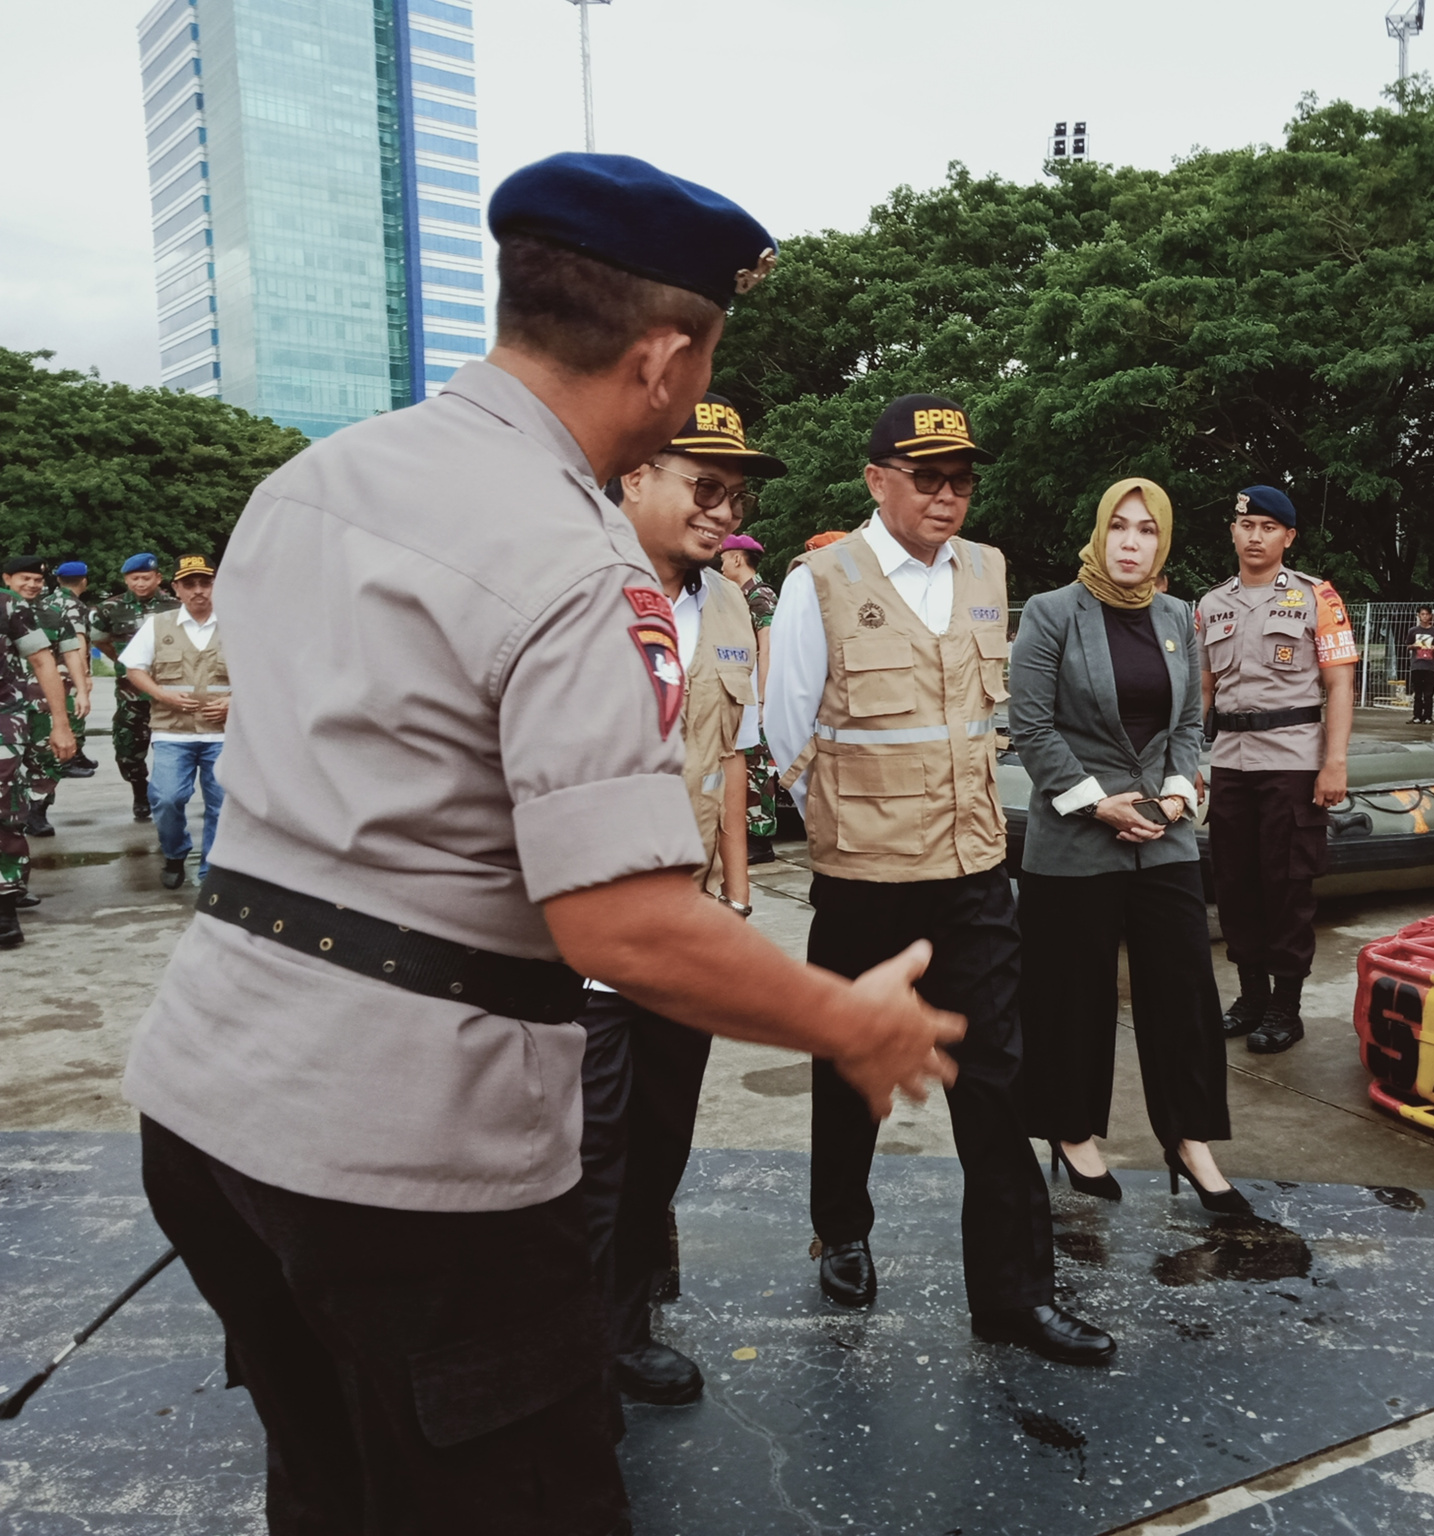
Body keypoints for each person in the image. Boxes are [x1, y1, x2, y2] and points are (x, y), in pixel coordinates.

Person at [120, 153, 962, 1536]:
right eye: (706, 364)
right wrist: (847, 1022)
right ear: (664, 357)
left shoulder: (317, 480)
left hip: (208, 1105)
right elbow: (619, 925)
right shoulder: (579, 567)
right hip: (404, 1158)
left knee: (332, 1482)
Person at [765, 392, 1114, 1365]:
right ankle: (841, 1227)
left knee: (998, 1081)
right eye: (927, 477)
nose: (947, 495)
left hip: (970, 876)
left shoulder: (988, 572)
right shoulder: (821, 581)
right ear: (877, 482)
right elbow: (786, 732)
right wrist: (845, 828)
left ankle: (1012, 1296)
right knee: (848, 1072)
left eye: (961, 478)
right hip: (863, 878)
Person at [576, 391, 783, 1407]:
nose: (721, 510)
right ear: (633, 479)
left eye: (732, 493)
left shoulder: (732, 605)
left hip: (685, 918)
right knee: (587, 1143)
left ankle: (622, 1312)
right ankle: (580, 1350)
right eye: (704, 486)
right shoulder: (574, 595)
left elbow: (729, 761)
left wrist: (733, 895)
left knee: (659, 1130)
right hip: (581, 927)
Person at [1008, 478, 1243, 1213]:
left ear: (1163, 541)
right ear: (1099, 534)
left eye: (1146, 530)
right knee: (1072, 998)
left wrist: (1177, 792)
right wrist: (1097, 803)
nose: (1132, 542)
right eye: (1119, 527)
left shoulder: (1179, 616)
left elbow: (1186, 724)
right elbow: (1032, 727)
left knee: (1184, 993)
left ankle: (1189, 1140)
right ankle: (1072, 1132)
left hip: (1163, 836)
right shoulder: (1052, 613)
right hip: (1078, 837)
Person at [1197, 486, 1358, 1054]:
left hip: (1292, 762)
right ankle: (1250, 996)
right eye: (1247, 526)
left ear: (1288, 537)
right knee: (1235, 886)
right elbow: (1206, 693)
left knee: (1287, 887)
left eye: (1269, 527)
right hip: (1230, 765)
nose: (1255, 536)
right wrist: (1196, 762)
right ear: (1233, 532)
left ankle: (1286, 1007)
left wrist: (1333, 762)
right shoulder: (1211, 604)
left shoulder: (1319, 597)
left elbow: (1339, 685)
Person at [120, 555, 230, 890]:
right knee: (166, 799)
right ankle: (175, 852)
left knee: (223, 806)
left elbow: (265, 673)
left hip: (223, 735)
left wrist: (234, 701)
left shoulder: (238, 623)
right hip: (172, 733)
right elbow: (134, 669)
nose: (199, 591)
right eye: (190, 584)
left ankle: (212, 870)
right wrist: (163, 695)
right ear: (176, 589)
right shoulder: (158, 624)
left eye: (205, 583)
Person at [0, 584, 78, 944]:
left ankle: (4, 912)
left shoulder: (7, 603)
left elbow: (43, 659)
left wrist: (60, 723)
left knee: (3, 814)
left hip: (3, 720)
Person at [2, 557, 89, 838]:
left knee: (46, 760)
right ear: (7, 579)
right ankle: (14, 812)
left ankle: (38, 809)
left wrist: (82, 690)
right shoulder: (4, 609)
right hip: (9, 705)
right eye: (24, 578)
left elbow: (71, 653)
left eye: (37, 580)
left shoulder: (53, 614)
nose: (31, 584)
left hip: (44, 701)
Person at [91, 553, 180, 822]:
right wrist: (126, 661)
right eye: (134, 578)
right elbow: (100, 640)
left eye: (146, 578)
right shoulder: (109, 609)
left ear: (158, 578)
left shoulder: (176, 606)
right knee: (128, 750)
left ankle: (168, 797)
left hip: (169, 693)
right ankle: (140, 792)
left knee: (173, 750)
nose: (140, 583)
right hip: (131, 694)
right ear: (126, 579)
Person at [719, 531, 781, 862]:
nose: (721, 563)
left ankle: (761, 838)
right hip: (746, 690)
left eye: (724, 557)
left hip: (758, 693)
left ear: (738, 559)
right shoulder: (739, 596)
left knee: (759, 766)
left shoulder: (760, 595)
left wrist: (762, 698)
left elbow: (768, 644)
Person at [49, 560, 97, 777]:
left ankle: (76, 753)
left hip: (49, 666)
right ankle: (69, 759)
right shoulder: (75, 605)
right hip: (67, 666)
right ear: (84, 581)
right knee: (75, 709)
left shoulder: (47, 601)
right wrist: (84, 674)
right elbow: (78, 640)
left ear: (59, 580)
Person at [1405, 606, 1434, 724]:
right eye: (1422, 614)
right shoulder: (1413, 631)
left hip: (1429, 666)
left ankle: (1428, 717)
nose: (1425, 616)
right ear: (1418, 615)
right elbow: (1408, 645)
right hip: (1417, 665)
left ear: (1431, 615)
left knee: (1428, 694)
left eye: (1427, 614)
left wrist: (1433, 648)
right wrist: (1414, 646)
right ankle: (1416, 716)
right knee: (1417, 693)